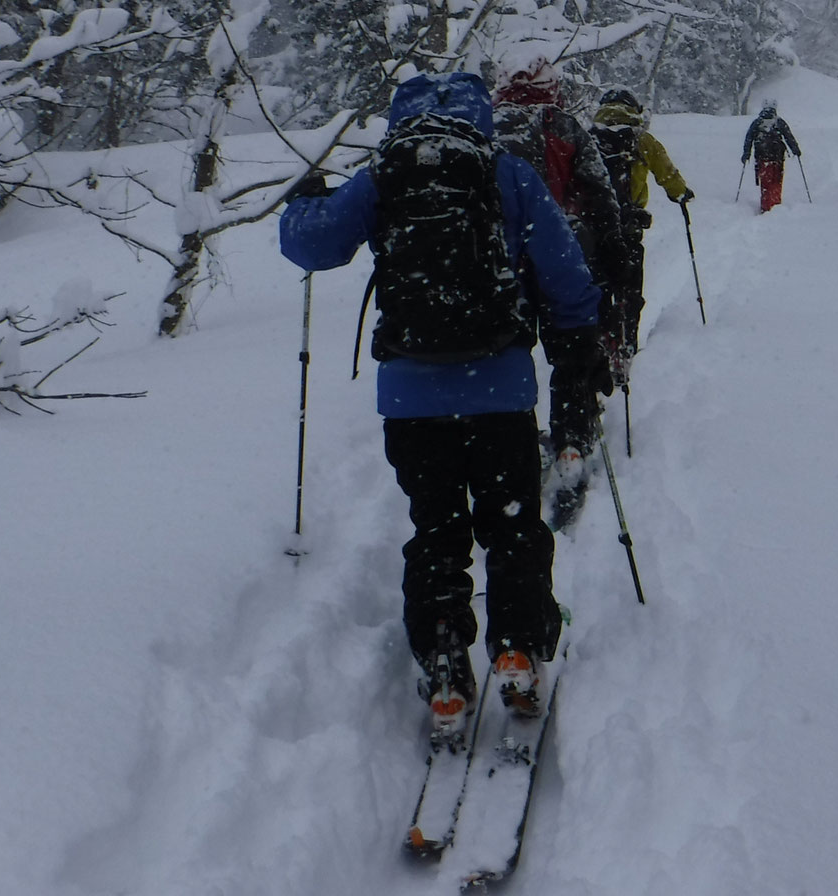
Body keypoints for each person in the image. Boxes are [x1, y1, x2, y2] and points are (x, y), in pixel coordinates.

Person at [279, 71, 613, 742]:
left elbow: (308, 246)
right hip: (501, 391)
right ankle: (517, 648)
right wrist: (576, 343)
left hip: (411, 399)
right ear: (480, 116)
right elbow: (567, 272)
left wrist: (304, 200)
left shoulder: (384, 177)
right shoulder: (507, 174)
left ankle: (441, 661)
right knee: (513, 524)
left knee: (436, 528)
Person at [490, 60, 629, 502]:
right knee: (571, 356)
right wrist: (614, 253)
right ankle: (571, 440)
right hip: (566, 258)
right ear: (553, 89)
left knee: (509, 352)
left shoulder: (485, 132)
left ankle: (512, 439)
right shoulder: (566, 127)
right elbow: (600, 195)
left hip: (504, 267)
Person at [590, 87, 693, 372]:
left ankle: (599, 340)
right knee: (629, 287)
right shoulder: (641, 139)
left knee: (599, 285)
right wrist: (681, 194)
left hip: (594, 228)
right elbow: (667, 173)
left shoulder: (587, 137)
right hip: (629, 226)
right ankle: (626, 344)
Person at [741, 99, 802, 213]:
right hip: (777, 158)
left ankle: (765, 205)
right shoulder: (779, 122)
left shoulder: (757, 123)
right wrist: (795, 150)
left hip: (761, 157)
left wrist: (746, 154)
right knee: (776, 182)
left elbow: (749, 138)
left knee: (765, 182)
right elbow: (788, 136)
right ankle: (775, 204)